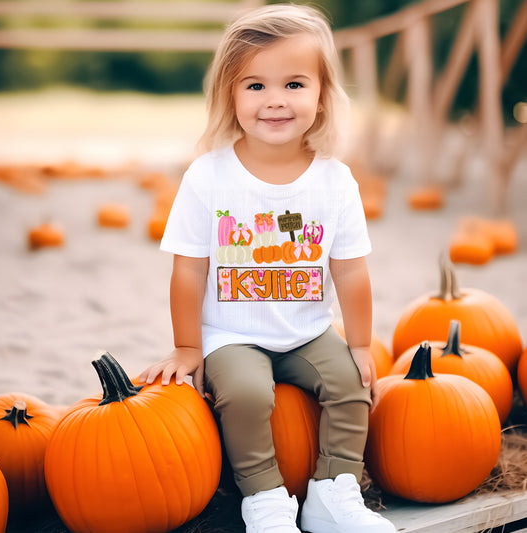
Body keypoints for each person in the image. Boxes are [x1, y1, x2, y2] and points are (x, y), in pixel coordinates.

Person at [139, 4, 397, 533]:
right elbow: (188, 271)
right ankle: (265, 499)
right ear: (229, 97)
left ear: (322, 94)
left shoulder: (334, 181)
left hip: (306, 330)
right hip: (232, 334)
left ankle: (333, 491)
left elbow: (350, 272)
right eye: (254, 86)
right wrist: (189, 347)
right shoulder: (208, 178)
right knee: (248, 395)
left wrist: (363, 344)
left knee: (350, 386)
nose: (275, 100)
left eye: (295, 84)